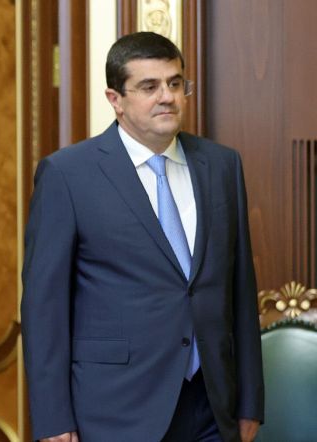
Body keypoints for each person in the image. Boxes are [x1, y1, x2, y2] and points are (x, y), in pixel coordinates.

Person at [21, 32, 263, 442]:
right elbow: (44, 307)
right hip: (116, 409)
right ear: (115, 99)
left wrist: (249, 400)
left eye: (175, 83)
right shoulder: (68, 174)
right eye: (149, 87)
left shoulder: (221, 165)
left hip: (211, 405)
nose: (167, 97)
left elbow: (241, 289)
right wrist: (53, 418)